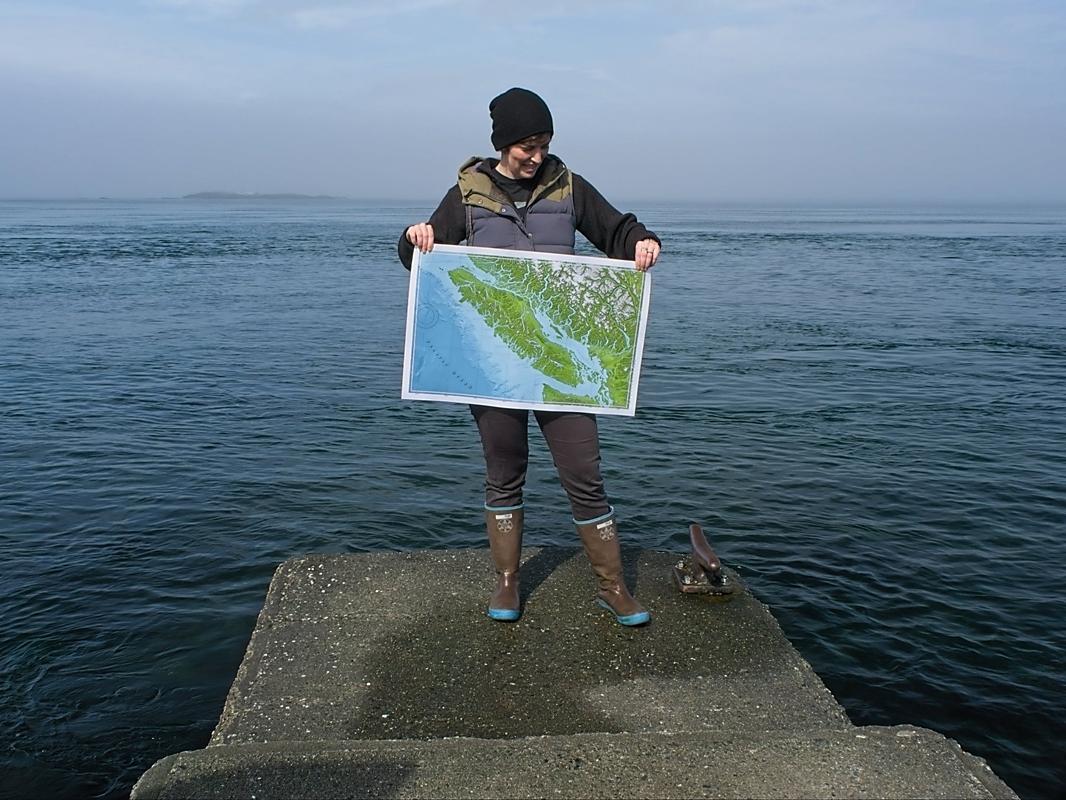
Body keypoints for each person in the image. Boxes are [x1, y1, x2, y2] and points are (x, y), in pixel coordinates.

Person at [398, 87, 661, 626]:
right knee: (504, 470)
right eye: (526, 146)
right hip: (491, 364)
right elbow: (419, 258)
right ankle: (508, 583)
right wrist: (414, 238)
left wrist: (641, 240)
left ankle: (612, 587)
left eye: (543, 144)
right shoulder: (466, 197)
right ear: (502, 144)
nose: (536, 155)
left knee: (583, 471)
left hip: (562, 363)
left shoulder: (569, 189)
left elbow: (616, 230)